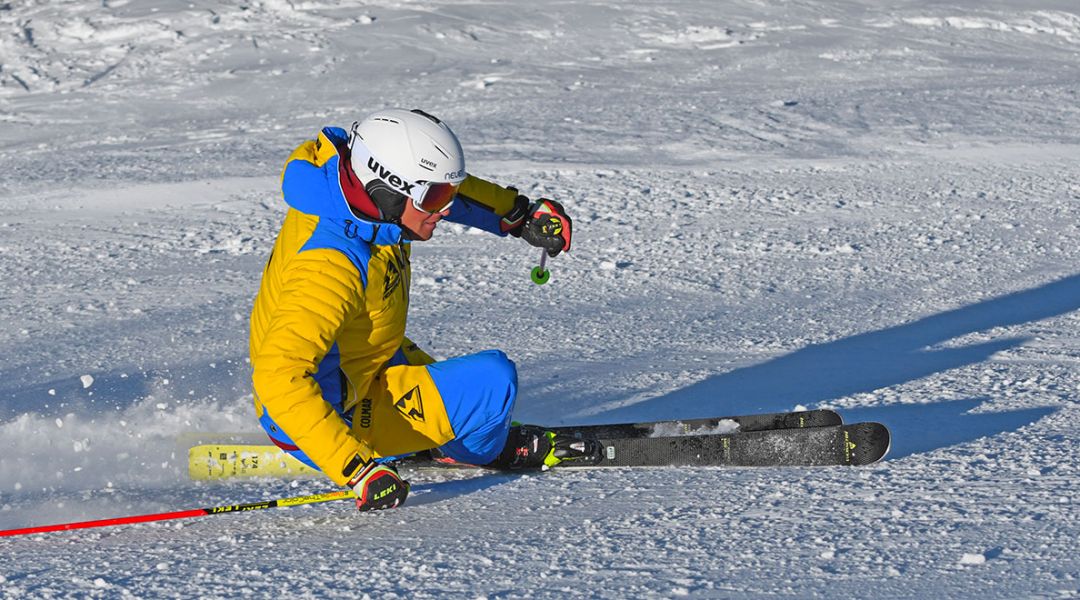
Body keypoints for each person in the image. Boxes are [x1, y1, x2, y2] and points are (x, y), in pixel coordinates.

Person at [249, 108, 586, 512]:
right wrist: (357, 469)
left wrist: (516, 215)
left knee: (452, 385)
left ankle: (436, 431)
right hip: (333, 411)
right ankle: (479, 450)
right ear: (388, 191)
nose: (444, 209)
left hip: (362, 357)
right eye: (434, 198)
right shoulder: (329, 266)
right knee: (492, 386)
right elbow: (278, 377)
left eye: (445, 194)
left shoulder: (353, 194)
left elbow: (438, 192)